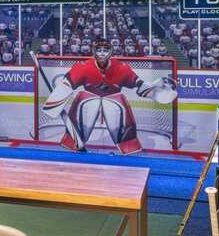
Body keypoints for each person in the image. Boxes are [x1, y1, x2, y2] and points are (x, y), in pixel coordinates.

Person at [41, 39, 176, 154]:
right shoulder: (83, 67)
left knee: (117, 101)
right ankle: (73, 140)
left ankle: (127, 144)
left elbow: (138, 84)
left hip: (114, 103)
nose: (101, 53)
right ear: (94, 51)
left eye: (105, 50)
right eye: (98, 50)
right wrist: (55, 102)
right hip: (89, 101)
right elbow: (67, 84)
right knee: (85, 99)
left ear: (111, 52)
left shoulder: (121, 68)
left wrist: (153, 92)